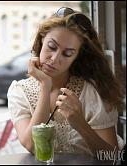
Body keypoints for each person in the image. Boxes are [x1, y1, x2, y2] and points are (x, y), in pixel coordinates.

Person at [7, 7, 125, 156]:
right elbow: (31, 145)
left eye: (67, 54)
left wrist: (81, 125)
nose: (55, 59)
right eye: (51, 46)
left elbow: (112, 158)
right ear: (42, 38)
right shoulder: (20, 91)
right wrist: (45, 85)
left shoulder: (92, 92)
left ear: (77, 57)